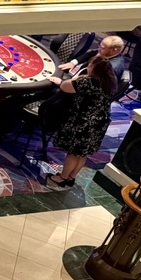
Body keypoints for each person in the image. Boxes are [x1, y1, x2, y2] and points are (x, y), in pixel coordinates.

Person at [47, 55, 117, 189]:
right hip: (99, 123)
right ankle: (71, 177)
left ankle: (62, 178)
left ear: (95, 69)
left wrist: (72, 79)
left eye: (90, 65)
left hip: (84, 123)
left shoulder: (90, 82)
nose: (88, 67)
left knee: (73, 152)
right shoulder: (110, 81)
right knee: (83, 153)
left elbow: (65, 86)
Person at [57, 35, 126, 84]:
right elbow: (90, 54)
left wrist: (61, 83)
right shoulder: (106, 53)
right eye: (100, 45)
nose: (99, 49)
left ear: (114, 50)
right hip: (78, 80)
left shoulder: (109, 68)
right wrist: (72, 63)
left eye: (103, 48)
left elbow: (90, 85)